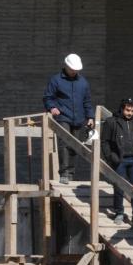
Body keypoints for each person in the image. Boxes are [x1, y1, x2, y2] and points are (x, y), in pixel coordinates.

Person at [43, 53, 94, 183]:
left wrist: (90, 116)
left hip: (78, 119)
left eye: (76, 70)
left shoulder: (83, 83)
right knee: (65, 143)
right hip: (63, 117)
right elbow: (48, 97)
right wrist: (52, 108)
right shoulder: (56, 80)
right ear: (66, 66)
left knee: (75, 146)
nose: (74, 72)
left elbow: (87, 101)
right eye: (72, 69)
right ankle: (64, 173)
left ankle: (71, 172)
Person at [101, 97, 133, 229]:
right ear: (121, 108)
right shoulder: (111, 122)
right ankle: (119, 212)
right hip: (119, 159)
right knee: (119, 186)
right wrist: (111, 157)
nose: (130, 113)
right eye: (127, 110)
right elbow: (105, 142)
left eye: (132, 110)